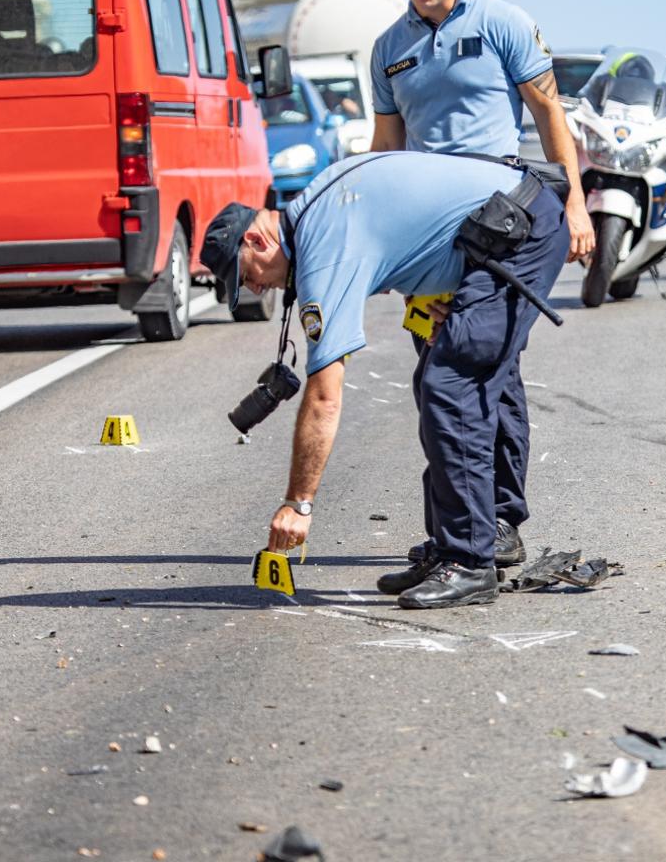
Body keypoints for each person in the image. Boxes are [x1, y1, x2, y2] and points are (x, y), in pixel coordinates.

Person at [201, 150, 569, 608]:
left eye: (247, 276)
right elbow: (409, 226)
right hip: (495, 230)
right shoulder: (317, 210)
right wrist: (437, 289)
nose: (256, 289)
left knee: (453, 385)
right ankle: (458, 545)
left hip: (521, 230)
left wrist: (299, 503)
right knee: (438, 379)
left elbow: (323, 398)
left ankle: (471, 561)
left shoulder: (321, 251)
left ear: (257, 240)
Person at [366, 0, 594, 577]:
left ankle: (498, 520)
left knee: (482, 367)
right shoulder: (389, 48)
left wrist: (575, 202)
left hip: (501, 223)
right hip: (429, 235)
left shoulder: (501, 21)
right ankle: (458, 525)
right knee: (440, 370)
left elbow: (550, 112)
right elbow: (386, 147)